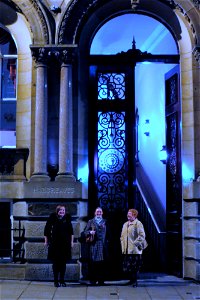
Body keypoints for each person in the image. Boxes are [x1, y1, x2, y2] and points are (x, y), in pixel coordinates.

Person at [44, 205, 74, 287]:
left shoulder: (67, 218)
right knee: (56, 264)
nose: (62, 212)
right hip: (55, 244)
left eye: (63, 210)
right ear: (57, 211)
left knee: (63, 264)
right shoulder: (53, 218)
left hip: (65, 244)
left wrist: (71, 242)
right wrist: (46, 241)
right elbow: (46, 230)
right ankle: (56, 281)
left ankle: (62, 280)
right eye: (60, 210)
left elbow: (71, 232)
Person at [120, 209, 147, 287]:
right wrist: (123, 244)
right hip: (127, 249)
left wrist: (135, 244)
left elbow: (142, 236)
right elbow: (122, 236)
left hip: (135, 250)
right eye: (128, 213)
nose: (128, 215)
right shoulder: (125, 224)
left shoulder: (138, 224)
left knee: (135, 267)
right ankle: (131, 280)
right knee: (128, 267)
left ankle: (135, 281)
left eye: (130, 214)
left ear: (134, 215)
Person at [83, 207, 109, 285]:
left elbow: (109, 233)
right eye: (97, 212)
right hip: (94, 244)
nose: (99, 213)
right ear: (95, 213)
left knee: (102, 263)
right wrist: (90, 232)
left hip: (103, 244)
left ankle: (101, 280)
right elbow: (85, 231)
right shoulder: (91, 221)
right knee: (93, 262)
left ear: (102, 213)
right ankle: (93, 280)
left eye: (100, 212)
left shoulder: (105, 222)